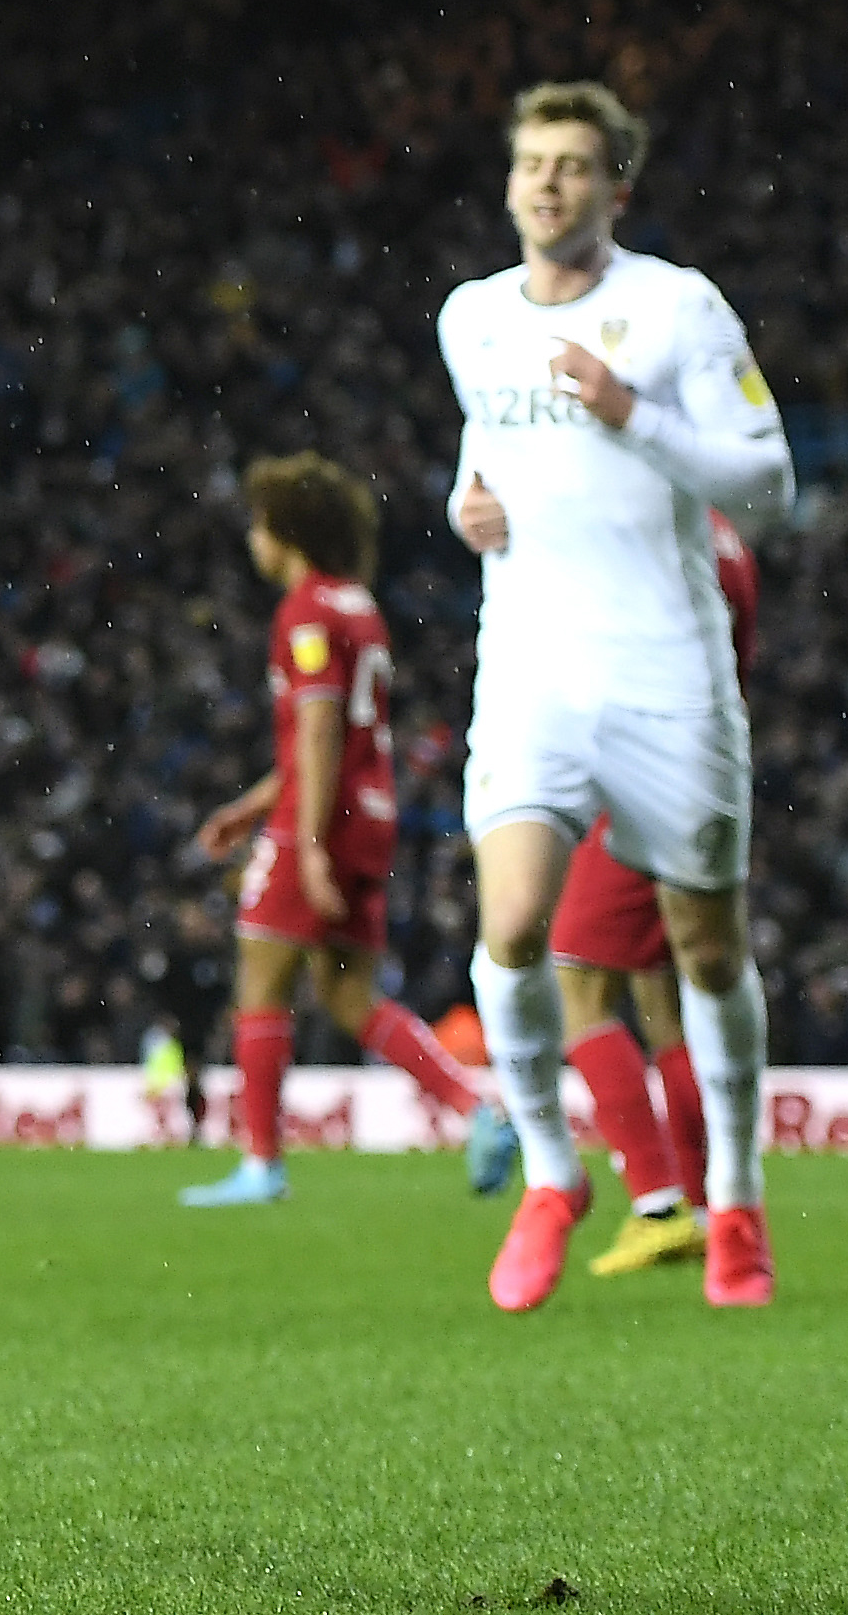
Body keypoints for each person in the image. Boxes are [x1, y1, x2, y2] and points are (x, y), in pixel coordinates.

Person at [442, 80, 794, 1311]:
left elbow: (766, 486)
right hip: (532, 667)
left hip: (664, 672)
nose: (548, 183)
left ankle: (737, 1204)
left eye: (574, 166)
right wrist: (461, 510)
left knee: (705, 952)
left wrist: (631, 413)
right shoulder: (471, 319)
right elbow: (478, 467)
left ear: (615, 189)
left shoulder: (674, 308)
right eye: (531, 163)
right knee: (511, 932)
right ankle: (553, 1176)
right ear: (509, 183)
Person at [174, 453, 496, 1206]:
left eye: (260, 525)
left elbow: (319, 731)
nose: (254, 539)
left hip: (320, 824)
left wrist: (305, 842)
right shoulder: (358, 606)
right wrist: (252, 806)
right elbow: (335, 737)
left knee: (261, 977)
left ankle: (261, 1163)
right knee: (349, 994)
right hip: (369, 816)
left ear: (286, 532)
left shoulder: (307, 610)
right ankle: (475, 1109)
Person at [539, 507, 762, 1276]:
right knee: (663, 1001)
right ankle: (704, 1207)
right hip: (704, 767)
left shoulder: (647, 531)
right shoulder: (724, 538)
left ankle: (656, 1200)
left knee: (575, 981)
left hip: (641, 774)